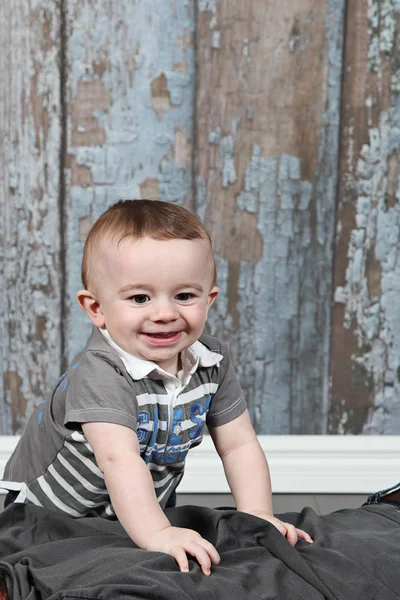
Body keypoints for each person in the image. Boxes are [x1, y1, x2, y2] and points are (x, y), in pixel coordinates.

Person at [2, 199, 313, 576]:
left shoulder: (211, 362)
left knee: (169, 568)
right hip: (46, 521)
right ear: (96, 308)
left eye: (184, 295)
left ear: (208, 299)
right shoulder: (101, 372)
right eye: (139, 298)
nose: (164, 313)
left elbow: (238, 445)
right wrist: (159, 533)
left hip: (134, 515)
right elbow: (120, 461)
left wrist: (258, 516)